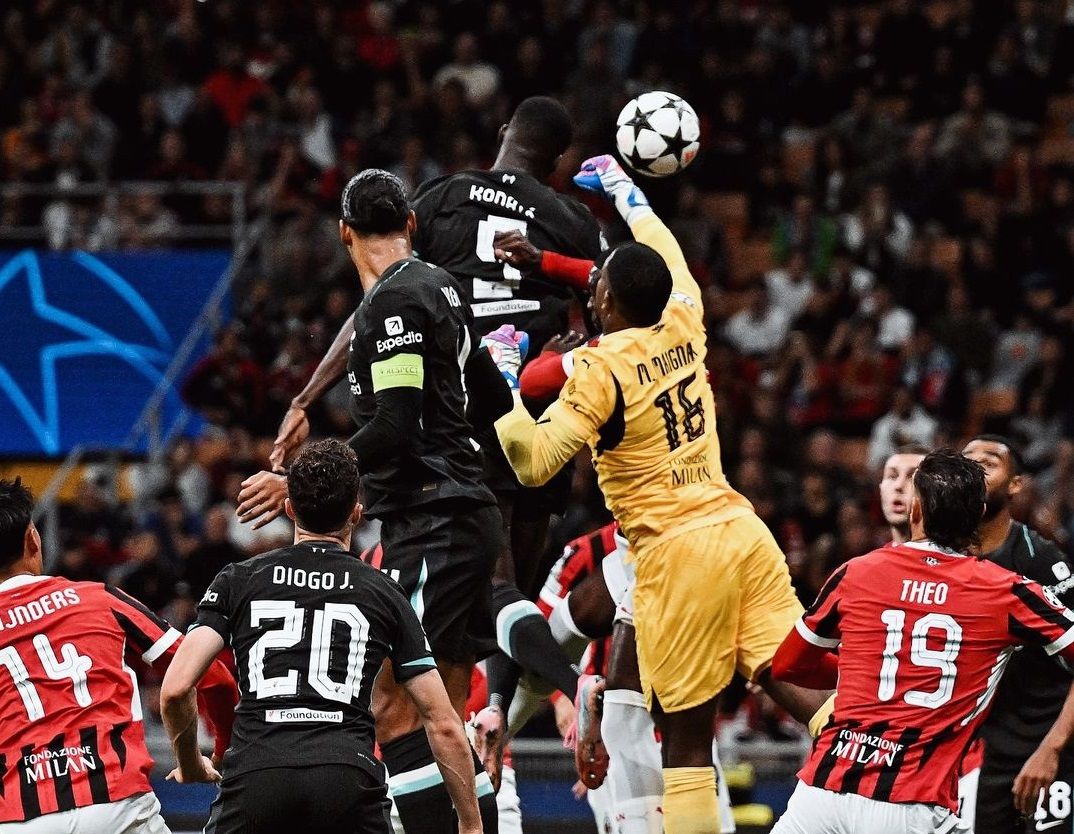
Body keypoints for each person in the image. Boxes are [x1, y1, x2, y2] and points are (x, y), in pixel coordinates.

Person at [493, 155, 824, 834]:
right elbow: (662, 245)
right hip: (741, 532)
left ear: (606, 303)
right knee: (800, 686)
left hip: (677, 556)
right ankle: (894, 774)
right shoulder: (684, 315)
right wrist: (622, 186)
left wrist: (504, 382)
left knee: (685, 747)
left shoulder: (598, 366)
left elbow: (533, 462)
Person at [234, 170, 507, 834]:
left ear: (343, 233)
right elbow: (493, 399)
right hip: (469, 513)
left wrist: (297, 479)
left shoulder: (394, 304)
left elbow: (396, 424)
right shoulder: (437, 287)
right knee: (445, 710)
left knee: (393, 706)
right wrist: (304, 400)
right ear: (410, 224)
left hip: (431, 519)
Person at [268, 96, 604, 599]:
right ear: (557, 162)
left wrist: (306, 398)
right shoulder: (574, 221)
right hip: (535, 400)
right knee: (514, 592)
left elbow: (379, 301)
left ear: (504, 132)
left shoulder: (444, 196)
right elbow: (611, 309)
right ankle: (518, 671)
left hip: (458, 399)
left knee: (484, 591)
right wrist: (574, 350)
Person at [160, 440, 484, 834]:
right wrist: (470, 823)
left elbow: (176, 689)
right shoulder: (383, 592)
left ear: (290, 508)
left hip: (256, 778)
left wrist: (191, 760)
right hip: (347, 779)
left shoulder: (238, 580)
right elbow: (443, 722)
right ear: (357, 514)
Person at [769, 450, 1074, 834]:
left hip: (821, 794)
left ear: (915, 511)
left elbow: (786, 666)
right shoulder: (1007, 591)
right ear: (979, 513)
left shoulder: (856, 572)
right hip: (910, 803)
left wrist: (856, 674)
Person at [0, 477, 237, 831]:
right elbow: (211, 674)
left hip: (21, 818)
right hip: (116, 805)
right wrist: (222, 748)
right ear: (33, 539)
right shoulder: (99, 598)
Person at [963, 435, 1074, 834]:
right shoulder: (937, 557)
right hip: (978, 758)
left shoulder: (1041, 561)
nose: (975, 467)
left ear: (1015, 485)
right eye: (967, 460)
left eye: (989, 461)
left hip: (1043, 748)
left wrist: (1052, 749)